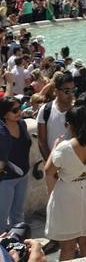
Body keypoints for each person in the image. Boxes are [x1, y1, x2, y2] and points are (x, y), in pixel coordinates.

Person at [44, 106, 86, 261]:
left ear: (69, 124)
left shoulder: (64, 148)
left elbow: (48, 171)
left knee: (67, 246)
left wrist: (55, 147)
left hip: (67, 196)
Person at [0, 97, 31, 232]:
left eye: (20, 108)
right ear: (5, 113)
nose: (19, 112)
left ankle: (17, 240)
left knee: (18, 214)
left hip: (23, 176)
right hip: (6, 179)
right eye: (15, 110)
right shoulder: (1, 131)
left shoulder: (22, 125)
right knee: (1, 216)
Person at [37, 71, 75, 162]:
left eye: (73, 90)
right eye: (66, 91)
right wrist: (51, 164)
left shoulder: (77, 111)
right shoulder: (45, 110)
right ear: (56, 91)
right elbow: (42, 141)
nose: (71, 94)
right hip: (52, 163)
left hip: (73, 165)